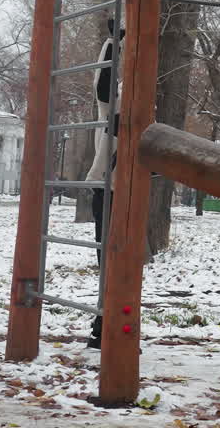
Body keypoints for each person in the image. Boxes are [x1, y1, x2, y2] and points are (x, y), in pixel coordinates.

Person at [86, 19, 123, 349]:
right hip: (107, 188)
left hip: (126, 189)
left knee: (120, 260)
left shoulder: (138, 104)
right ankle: (103, 323)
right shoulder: (112, 103)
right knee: (108, 260)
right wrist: (114, 42)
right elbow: (101, 82)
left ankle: (110, 322)